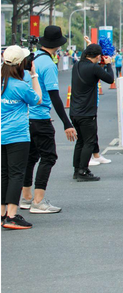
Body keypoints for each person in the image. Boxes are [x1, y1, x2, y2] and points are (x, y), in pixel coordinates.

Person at [21, 25, 75, 214]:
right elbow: (54, 96)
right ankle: (38, 201)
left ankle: (26, 198)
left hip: (25, 116)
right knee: (49, 157)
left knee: (31, 157)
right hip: (41, 117)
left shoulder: (31, 59)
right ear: (58, 46)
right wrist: (67, 124)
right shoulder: (49, 65)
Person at [2, 46, 41, 229]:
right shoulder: (20, 85)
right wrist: (34, 75)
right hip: (17, 135)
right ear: (21, 64)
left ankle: (2, 213)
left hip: (1, 134)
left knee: (3, 174)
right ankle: (12, 214)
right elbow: (38, 99)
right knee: (16, 174)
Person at [70, 44, 115, 182]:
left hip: (74, 111)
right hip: (87, 111)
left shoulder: (77, 65)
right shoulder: (93, 67)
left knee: (80, 142)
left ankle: (77, 169)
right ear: (97, 56)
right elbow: (110, 79)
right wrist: (108, 65)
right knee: (89, 141)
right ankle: (83, 170)